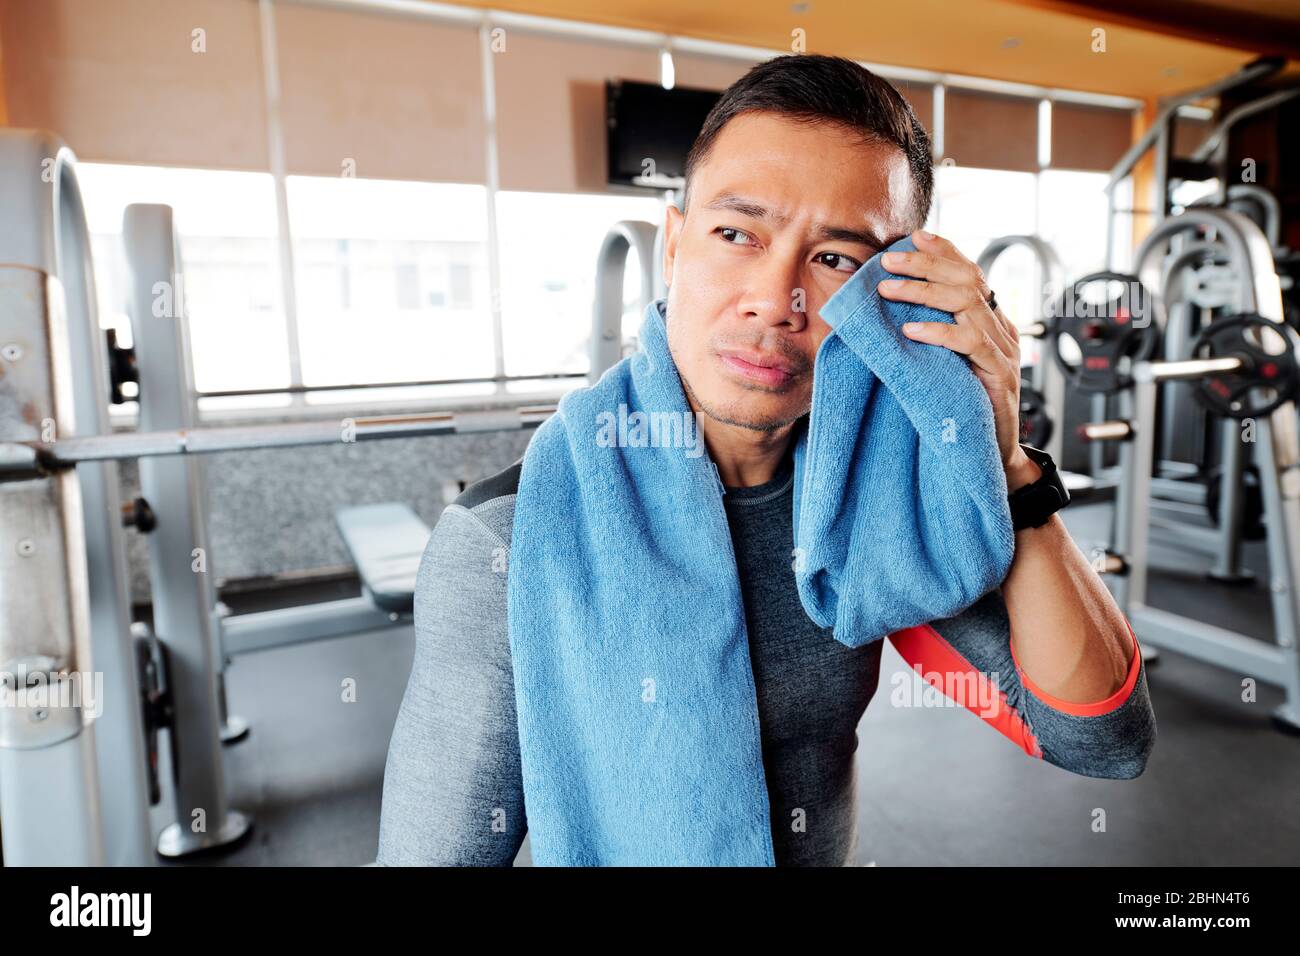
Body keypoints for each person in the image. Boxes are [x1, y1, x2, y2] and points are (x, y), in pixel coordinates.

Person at [376, 53, 1156, 867]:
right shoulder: (505, 541)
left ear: (894, 297)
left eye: (837, 260)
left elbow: (1102, 741)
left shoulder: (875, 497)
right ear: (676, 245)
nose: (774, 301)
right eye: (736, 233)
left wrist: (1006, 461)